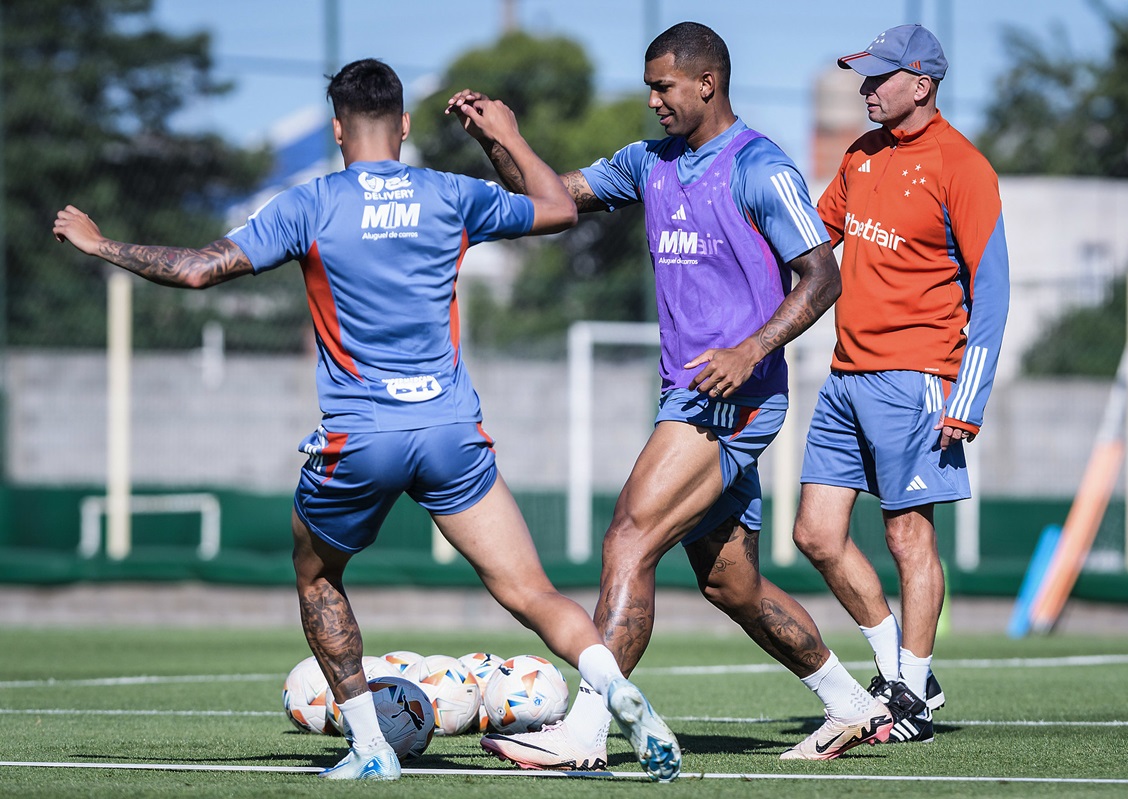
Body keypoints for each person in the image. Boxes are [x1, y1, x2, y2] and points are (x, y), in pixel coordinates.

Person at [54, 58, 682, 782]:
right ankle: (615, 685)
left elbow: (198, 268)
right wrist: (501, 135)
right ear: (406, 126)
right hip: (450, 430)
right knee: (531, 590)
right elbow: (558, 207)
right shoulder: (449, 195)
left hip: (361, 436)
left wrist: (101, 244)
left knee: (318, 574)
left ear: (336, 128)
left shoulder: (310, 203)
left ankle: (371, 744)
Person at [449, 21, 892, 766]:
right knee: (732, 583)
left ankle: (587, 731)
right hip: (688, 398)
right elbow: (550, 202)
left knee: (629, 535)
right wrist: (502, 139)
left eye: (664, 86)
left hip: (737, 396)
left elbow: (823, 274)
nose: (653, 99)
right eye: (649, 86)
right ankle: (848, 701)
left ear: (706, 83)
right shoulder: (646, 162)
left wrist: (751, 347)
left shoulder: (760, 166)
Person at [791, 24, 1010, 743]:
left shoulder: (963, 166)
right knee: (816, 534)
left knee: (907, 535)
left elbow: (994, 292)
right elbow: (813, 240)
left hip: (917, 379)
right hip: (845, 376)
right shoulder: (860, 156)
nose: (865, 88)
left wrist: (967, 398)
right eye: (863, 75)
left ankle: (909, 691)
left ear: (921, 84)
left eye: (880, 77)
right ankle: (900, 668)